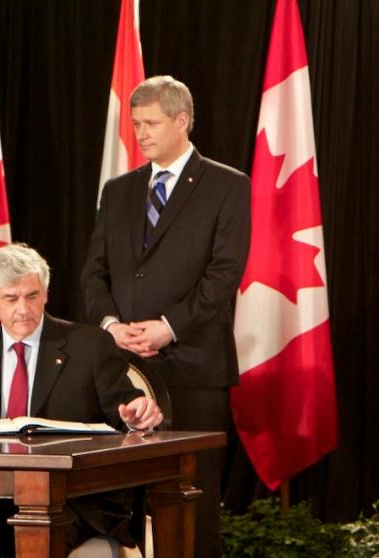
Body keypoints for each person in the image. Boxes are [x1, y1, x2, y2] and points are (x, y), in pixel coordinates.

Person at [81, 75, 251, 558]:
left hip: (194, 367)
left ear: (181, 121)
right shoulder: (118, 190)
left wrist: (168, 327)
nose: (142, 134)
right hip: (124, 369)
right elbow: (93, 273)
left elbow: (223, 276)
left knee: (193, 503)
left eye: (151, 123)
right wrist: (113, 326)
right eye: (136, 124)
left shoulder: (227, 186)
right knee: (123, 501)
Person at [0, 243, 162, 557]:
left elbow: (127, 412)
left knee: (24, 534)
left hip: (73, 499)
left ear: (46, 293)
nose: (23, 309)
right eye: (11, 298)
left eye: (32, 296)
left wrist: (138, 416)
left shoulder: (90, 346)